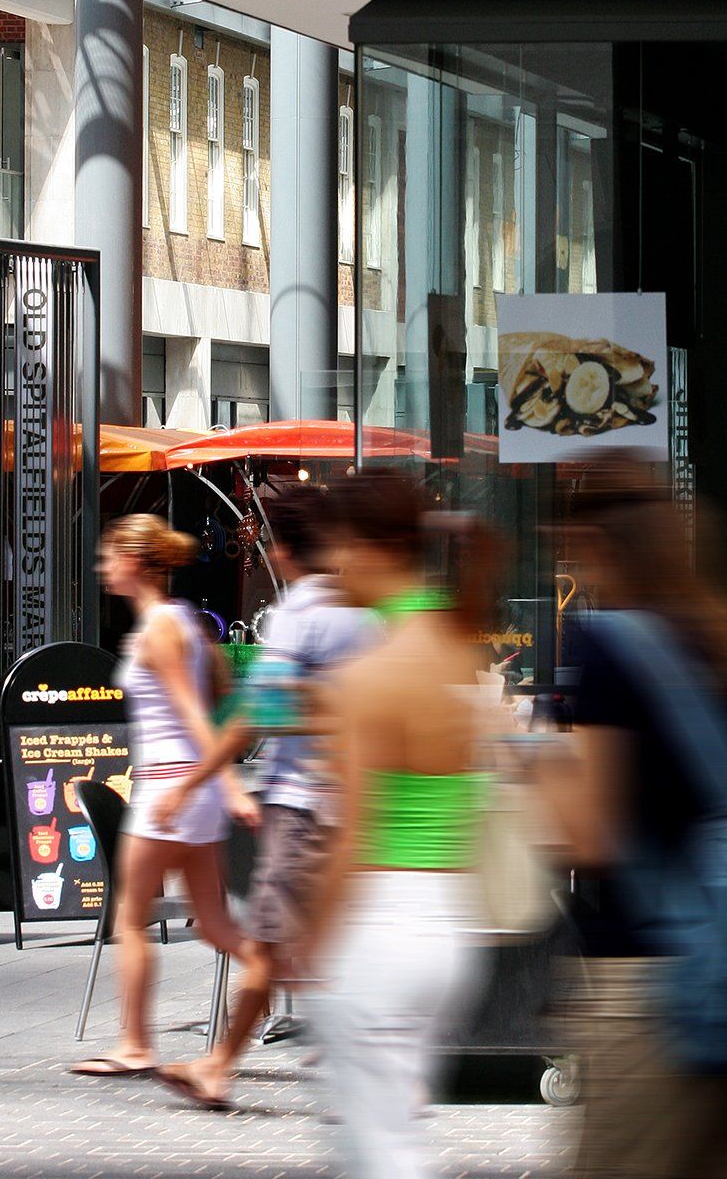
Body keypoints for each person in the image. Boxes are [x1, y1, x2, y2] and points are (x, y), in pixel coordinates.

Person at [535, 455, 727, 1179]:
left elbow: (587, 832)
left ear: (600, 547)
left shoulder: (604, 649)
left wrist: (533, 767)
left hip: (652, 990)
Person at [147, 486, 377, 1108]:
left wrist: (196, 780)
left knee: (270, 943)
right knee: (310, 939)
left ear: (281, 548)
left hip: (303, 802)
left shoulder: (301, 611)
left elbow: (259, 711)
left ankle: (219, 1066)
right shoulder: (365, 612)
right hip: (350, 803)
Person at [300, 473, 495, 1179]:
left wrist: (310, 944)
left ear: (368, 546)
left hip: (378, 926)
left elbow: (350, 836)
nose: (331, 567)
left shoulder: (366, 676)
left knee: (381, 1158)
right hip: (448, 926)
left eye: (337, 547)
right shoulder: (456, 651)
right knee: (397, 1143)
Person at [72, 514, 263, 1083]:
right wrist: (220, 783)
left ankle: (134, 1043)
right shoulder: (185, 622)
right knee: (216, 926)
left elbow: (191, 713)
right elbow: (221, 702)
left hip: (168, 787)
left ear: (136, 561)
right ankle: (270, 969)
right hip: (189, 788)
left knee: (130, 919)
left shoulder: (158, 629)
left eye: (110, 556)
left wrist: (221, 782)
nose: (104, 567)